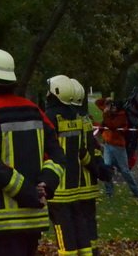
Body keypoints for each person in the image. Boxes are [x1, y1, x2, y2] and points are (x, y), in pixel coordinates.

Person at [0, 48, 66, 256]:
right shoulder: (34, 110)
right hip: (32, 219)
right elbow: (57, 155)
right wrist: (45, 185)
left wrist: (28, 192)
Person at [43, 75, 90, 256]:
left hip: (58, 186)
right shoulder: (76, 117)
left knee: (62, 229)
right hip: (75, 184)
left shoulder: (50, 117)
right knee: (79, 225)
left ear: (55, 92)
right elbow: (81, 150)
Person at [69, 78, 107, 256]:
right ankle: (93, 251)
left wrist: (94, 165)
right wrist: (99, 167)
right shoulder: (85, 119)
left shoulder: (73, 120)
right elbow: (94, 147)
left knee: (77, 222)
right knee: (89, 222)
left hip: (77, 183)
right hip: (89, 184)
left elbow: (81, 151)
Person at [94, 94, 138, 199]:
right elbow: (98, 103)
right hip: (107, 145)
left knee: (125, 171)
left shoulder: (122, 116)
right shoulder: (110, 112)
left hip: (118, 147)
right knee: (106, 168)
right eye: (112, 106)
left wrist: (106, 114)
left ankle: (137, 192)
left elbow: (111, 125)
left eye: (114, 106)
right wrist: (107, 100)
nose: (113, 108)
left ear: (119, 108)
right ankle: (109, 193)